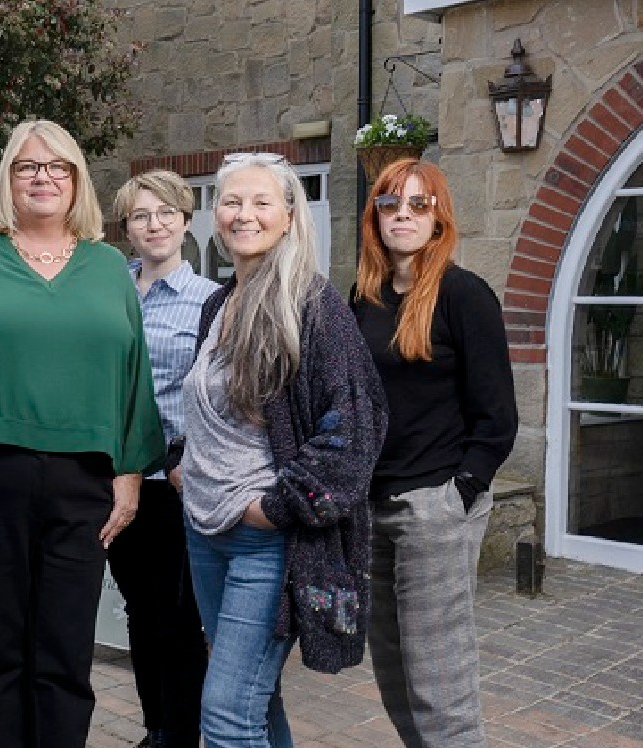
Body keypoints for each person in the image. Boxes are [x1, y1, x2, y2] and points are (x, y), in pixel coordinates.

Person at [0, 120, 164, 748]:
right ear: (7, 180)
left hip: (85, 483)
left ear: (76, 180)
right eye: (27, 166)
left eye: (57, 167)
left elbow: (135, 378)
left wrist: (129, 476)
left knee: (65, 650)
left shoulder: (108, 268)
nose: (43, 177)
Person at [172, 152, 386, 747]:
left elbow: (355, 429)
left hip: (268, 541)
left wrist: (277, 508)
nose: (245, 214)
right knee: (254, 705)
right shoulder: (219, 304)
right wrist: (180, 462)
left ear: (289, 217)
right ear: (215, 216)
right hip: (206, 532)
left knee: (225, 714)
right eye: (232, 202)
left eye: (261, 202)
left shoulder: (312, 307)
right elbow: (211, 411)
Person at [351, 158, 517, 748]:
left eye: (418, 205)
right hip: (371, 507)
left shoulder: (463, 295)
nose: (403, 215)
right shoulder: (363, 297)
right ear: (375, 215)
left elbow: (498, 416)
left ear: (439, 217)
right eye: (391, 204)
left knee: (438, 675)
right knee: (391, 663)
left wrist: (461, 492)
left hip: (434, 505)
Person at [109, 169, 217, 748]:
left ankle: (181, 734)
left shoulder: (209, 302)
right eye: (141, 216)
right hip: (116, 479)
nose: (154, 225)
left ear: (185, 219)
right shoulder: (107, 292)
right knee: (136, 612)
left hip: (174, 484)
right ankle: (156, 728)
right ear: (126, 227)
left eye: (165, 213)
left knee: (178, 618)